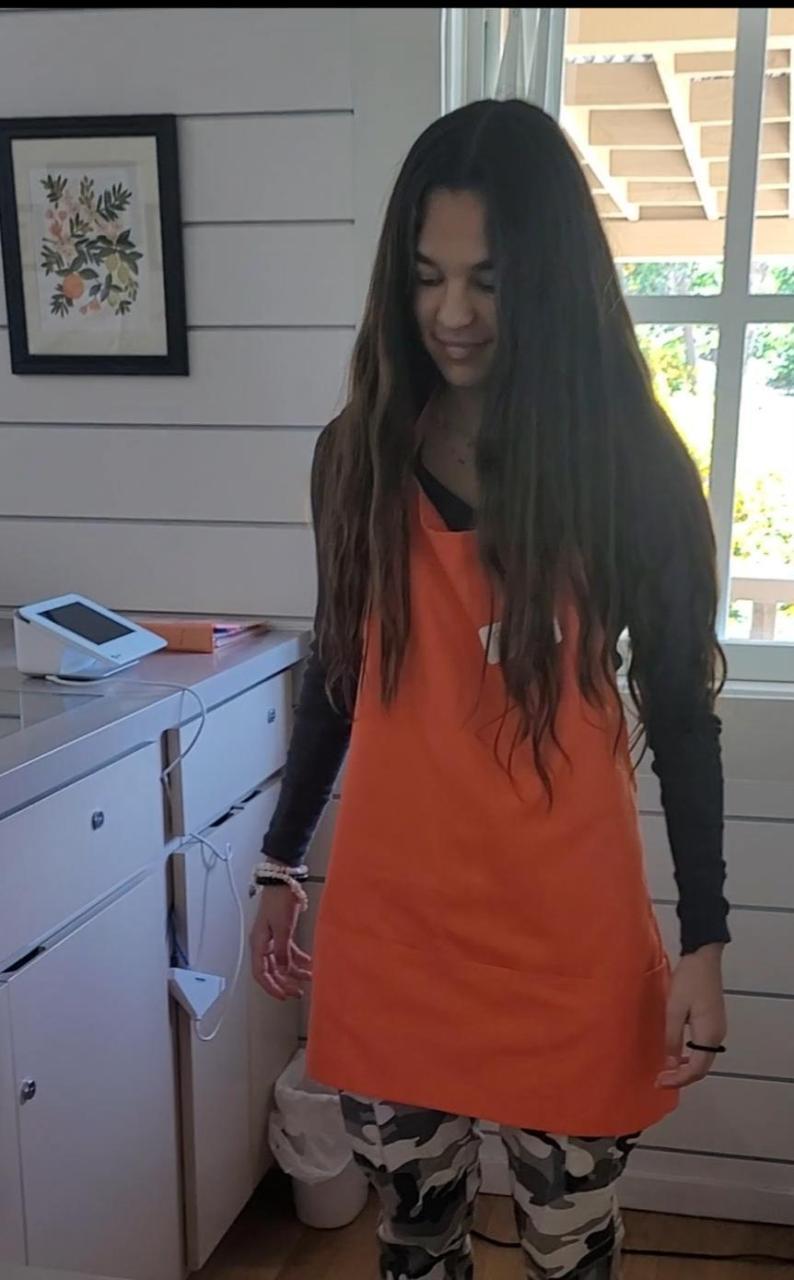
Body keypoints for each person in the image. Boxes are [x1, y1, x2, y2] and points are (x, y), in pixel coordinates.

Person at [250, 99, 729, 1280]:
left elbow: (677, 708)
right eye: (426, 277)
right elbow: (336, 671)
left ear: (551, 281)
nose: (452, 313)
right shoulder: (352, 455)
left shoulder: (631, 468)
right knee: (413, 1242)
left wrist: (704, 939)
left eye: (488, 280)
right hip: (393, 941)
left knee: (570, 1248)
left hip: (570, 948)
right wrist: (277, 860)